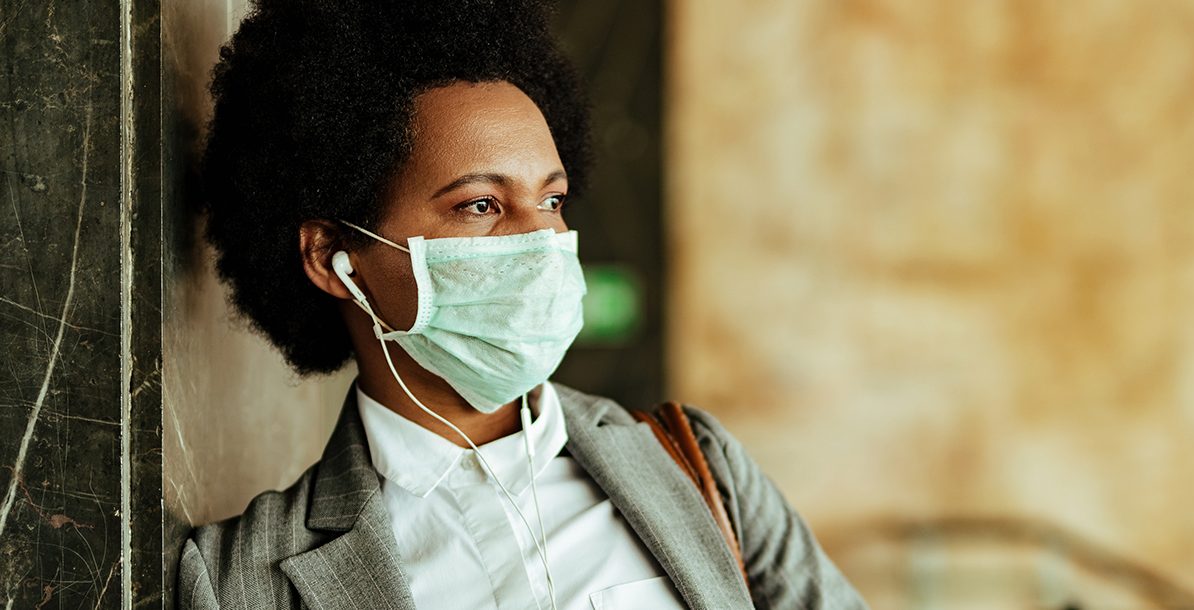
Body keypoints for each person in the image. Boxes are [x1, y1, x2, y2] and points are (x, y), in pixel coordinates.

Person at [176, 1, 868, 608]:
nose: (544, 241)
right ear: (334, 257)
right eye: (481, 204)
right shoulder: (242, 581)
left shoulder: (698, 468)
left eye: (552, 199)